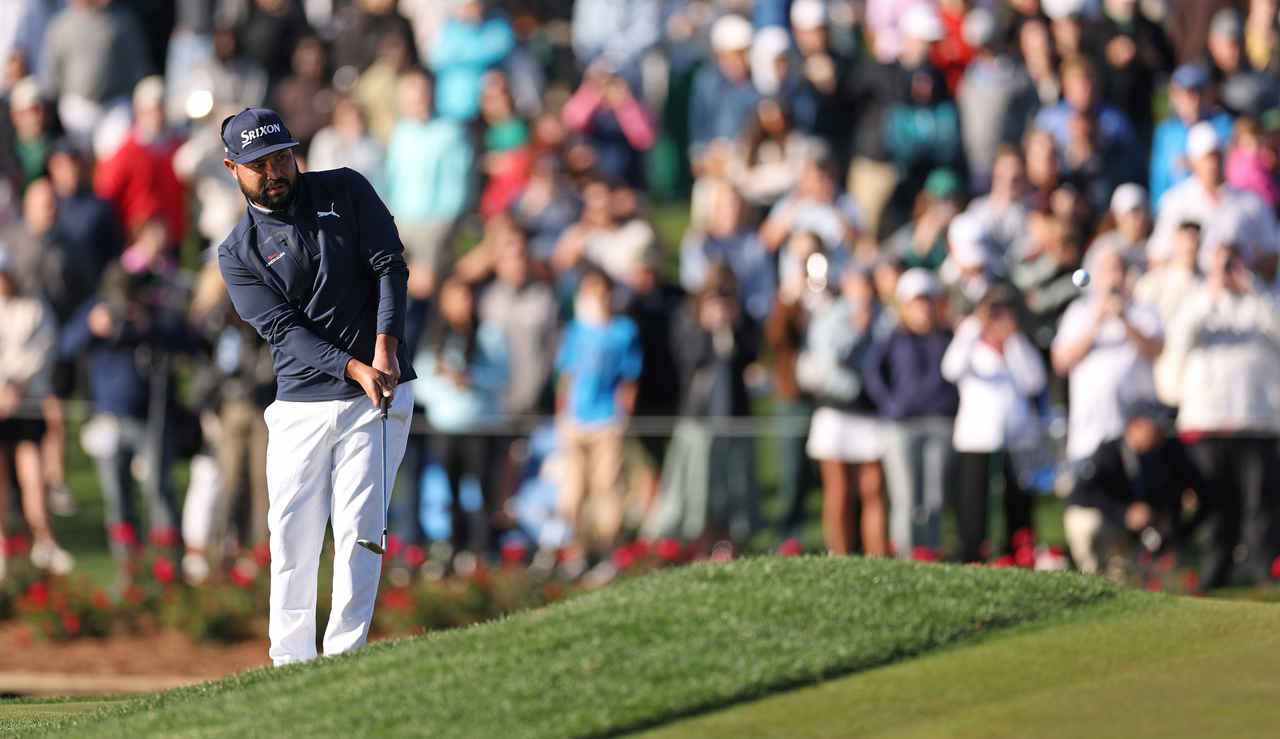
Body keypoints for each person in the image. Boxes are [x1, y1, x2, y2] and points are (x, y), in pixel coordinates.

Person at [216, 108, 416, 665]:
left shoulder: (346, 188)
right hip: (302, 404)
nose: (275, 170)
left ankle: (344, 662)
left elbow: (389, 266)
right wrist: (355, 367)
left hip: (378, 394)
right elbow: (283, 330)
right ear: (233, 169)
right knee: (292, 544)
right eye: (259, 164)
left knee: (360, 534)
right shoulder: (237, 251)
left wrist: (384, 352)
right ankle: (290, 666)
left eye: (281, 156)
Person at [1162, 242, 1280, 588]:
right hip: (1207, 421)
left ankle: (1263, 567)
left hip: (1256, 422)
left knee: (1260, 501)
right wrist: (1212, 294)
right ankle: (1216, 569)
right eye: (1221, 266)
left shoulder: (1262, 300)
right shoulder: (1197, 302)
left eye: (1232, 264)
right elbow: (1179, 340)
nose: (1228, 272)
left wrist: (1253, 291)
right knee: (1214, 500)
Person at [941, 284, 1047, 563]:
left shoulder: (1018, 346)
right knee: (973, 505)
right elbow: (951, 369)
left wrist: (1013, 340)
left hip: (1017, 440)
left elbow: (1034, 381)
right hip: (976, 439)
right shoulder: (970, 344)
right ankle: (973, 557)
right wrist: (974, 324)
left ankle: (1019, 555)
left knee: (1018, 504)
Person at [863, 268, 959, 557]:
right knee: (905, 498)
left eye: (927, 300)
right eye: (916, 301)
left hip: (941, 423)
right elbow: (873, 375)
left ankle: (930, 554)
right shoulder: (894, 338)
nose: (923, 308)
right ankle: (905, 557)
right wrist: (891, 406)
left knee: (934, 498)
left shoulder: (950, 337)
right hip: (902, 426)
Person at [799, 267, 895, 556]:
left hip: (873, 412)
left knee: (873, 489)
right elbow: (830, 362)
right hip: (837, 411)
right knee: (838, 490)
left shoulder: (886, 316)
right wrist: (857, 330)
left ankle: (876, 556)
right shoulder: (829, 316)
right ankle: (838, 554)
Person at [554, 269, 642, 561]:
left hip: (607, 419)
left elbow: (630, 377)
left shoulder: (624, 330)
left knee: (608, 489)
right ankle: (580, 548)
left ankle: (609, 551)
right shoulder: (575, 330)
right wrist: (562, 415)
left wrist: (622, 414)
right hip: (576, 420)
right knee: (573, 492)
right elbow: (566, 375)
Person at [1064, 400, 1208, 575]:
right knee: (1085, 523)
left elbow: (1206, 494)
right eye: (1154, 424)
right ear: (1133, 425)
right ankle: (1095, 578)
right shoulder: (1110, 451)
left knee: (1165, 580)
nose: (1161, 430)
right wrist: (1125, 512)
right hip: (1114, 527)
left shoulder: (1169, 451)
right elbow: (1078, 495)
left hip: (1151, 537)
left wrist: (1178, 531)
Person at [1051, 247, 1164, 467]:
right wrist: (1096, 322)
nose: (1113, 277)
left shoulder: (1144, 311)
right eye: (1108, 270)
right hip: (1089, 435)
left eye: (1118, 270)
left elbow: (1156, 350)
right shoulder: (1079, 311)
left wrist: (1124, 319)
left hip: (1134, 433)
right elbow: (1061, 362)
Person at [0, 245, 72, 575]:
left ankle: (44, 541)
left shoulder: (34, 307)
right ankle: (4, 548)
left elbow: (43, 350)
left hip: (26, 406)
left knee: (33, 476)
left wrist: (16, 385)